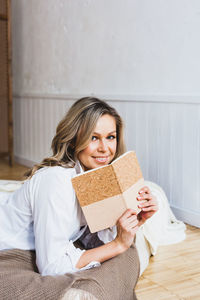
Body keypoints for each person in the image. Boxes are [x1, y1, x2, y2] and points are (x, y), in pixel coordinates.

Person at [0, 97, 158, 276]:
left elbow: (99, 238)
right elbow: (51, 267)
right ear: (74, 140)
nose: (105, 148)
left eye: (110, 137)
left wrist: (136, 219)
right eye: (94, 138)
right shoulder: (55, 182)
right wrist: (119, 245)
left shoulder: (95, 177)